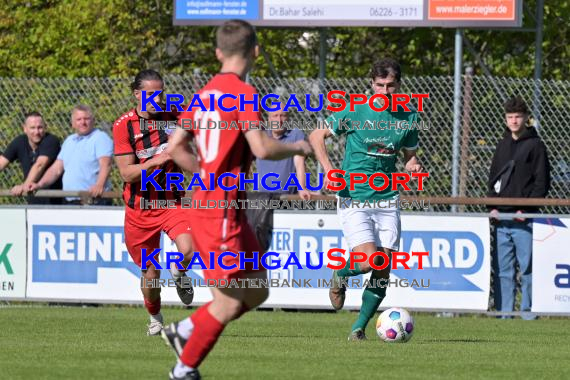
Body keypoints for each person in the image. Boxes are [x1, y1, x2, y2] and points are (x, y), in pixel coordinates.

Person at [163, 19, 312, 380]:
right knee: (229, 301)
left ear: (218, 53)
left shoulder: (202, 94)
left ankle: (184, 330)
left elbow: (174, 146)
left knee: (257, 290)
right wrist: (296, 145)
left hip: (220, 207)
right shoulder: (244, 94)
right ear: (256, 51)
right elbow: (260, 146)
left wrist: (202, 172)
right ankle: (184, 369)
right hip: (219, 213)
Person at [309, 58, 423, 341]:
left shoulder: (408, 117)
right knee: (366, 261)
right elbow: (316, 135)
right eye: (379, 85)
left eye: (391, 86)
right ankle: (340, 274)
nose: (384, 92)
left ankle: (358, 328)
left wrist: (413, 165)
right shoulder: (355, 110)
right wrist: (329, 169)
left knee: (382, 268)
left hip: (387, 199)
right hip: (354, 196)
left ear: (399, 85)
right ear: (371, 85)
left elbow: (410, 156)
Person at [113, 69, 197, 336]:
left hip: (172, 202)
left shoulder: (173, 113)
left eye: (160, 93)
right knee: (150, 274)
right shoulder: (124, 125)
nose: (156, 98)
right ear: (137, 94)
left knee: (189, 247)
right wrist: (155, 162)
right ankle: (155, 316)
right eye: (150, 93)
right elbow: (127, 173)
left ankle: (180, 273)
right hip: (140, 209)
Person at [488, 96, 550, 320]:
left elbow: (542, 182)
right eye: (510, 117)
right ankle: (504, 314)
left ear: (526, 118)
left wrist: (527, 209)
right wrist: (491, 206)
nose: (514, 121)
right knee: (503, 270)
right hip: (501, 217)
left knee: (527, 269)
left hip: (525, 219)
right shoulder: (502, 145)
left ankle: (528, 314)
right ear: (505, 119)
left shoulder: (536, 145)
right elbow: (493, 178)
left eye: (518, 117)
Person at [29, 105, 113, 205]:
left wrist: (99, 185)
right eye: (79, 119)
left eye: (86, 118)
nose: (83, 122)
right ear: (72, 123)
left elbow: (106, 164)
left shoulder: (100, 138)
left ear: (93, 120)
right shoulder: (69, 141)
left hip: (94, 200)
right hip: (70, 200)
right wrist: (39, 184)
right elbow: (56, 170)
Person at [0, 111, 62, 204]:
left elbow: (40, 165)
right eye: (32, 128)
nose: (36, 132)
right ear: (24, 129)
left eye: (40, 127)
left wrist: (24, 186)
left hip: (55, 203)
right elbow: (1, 162)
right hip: (33, 203)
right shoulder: (19, 141)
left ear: (45, 127)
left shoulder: (51, 141)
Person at [256, 109, 312, 200]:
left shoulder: (296, 135)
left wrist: (302, 188)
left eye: (283, 115)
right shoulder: (261, 136)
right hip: (263, 198)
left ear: (288, 118)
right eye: (275, 116)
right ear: (269, 119)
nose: (279, 120)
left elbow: (299, 162)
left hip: (288, 198)